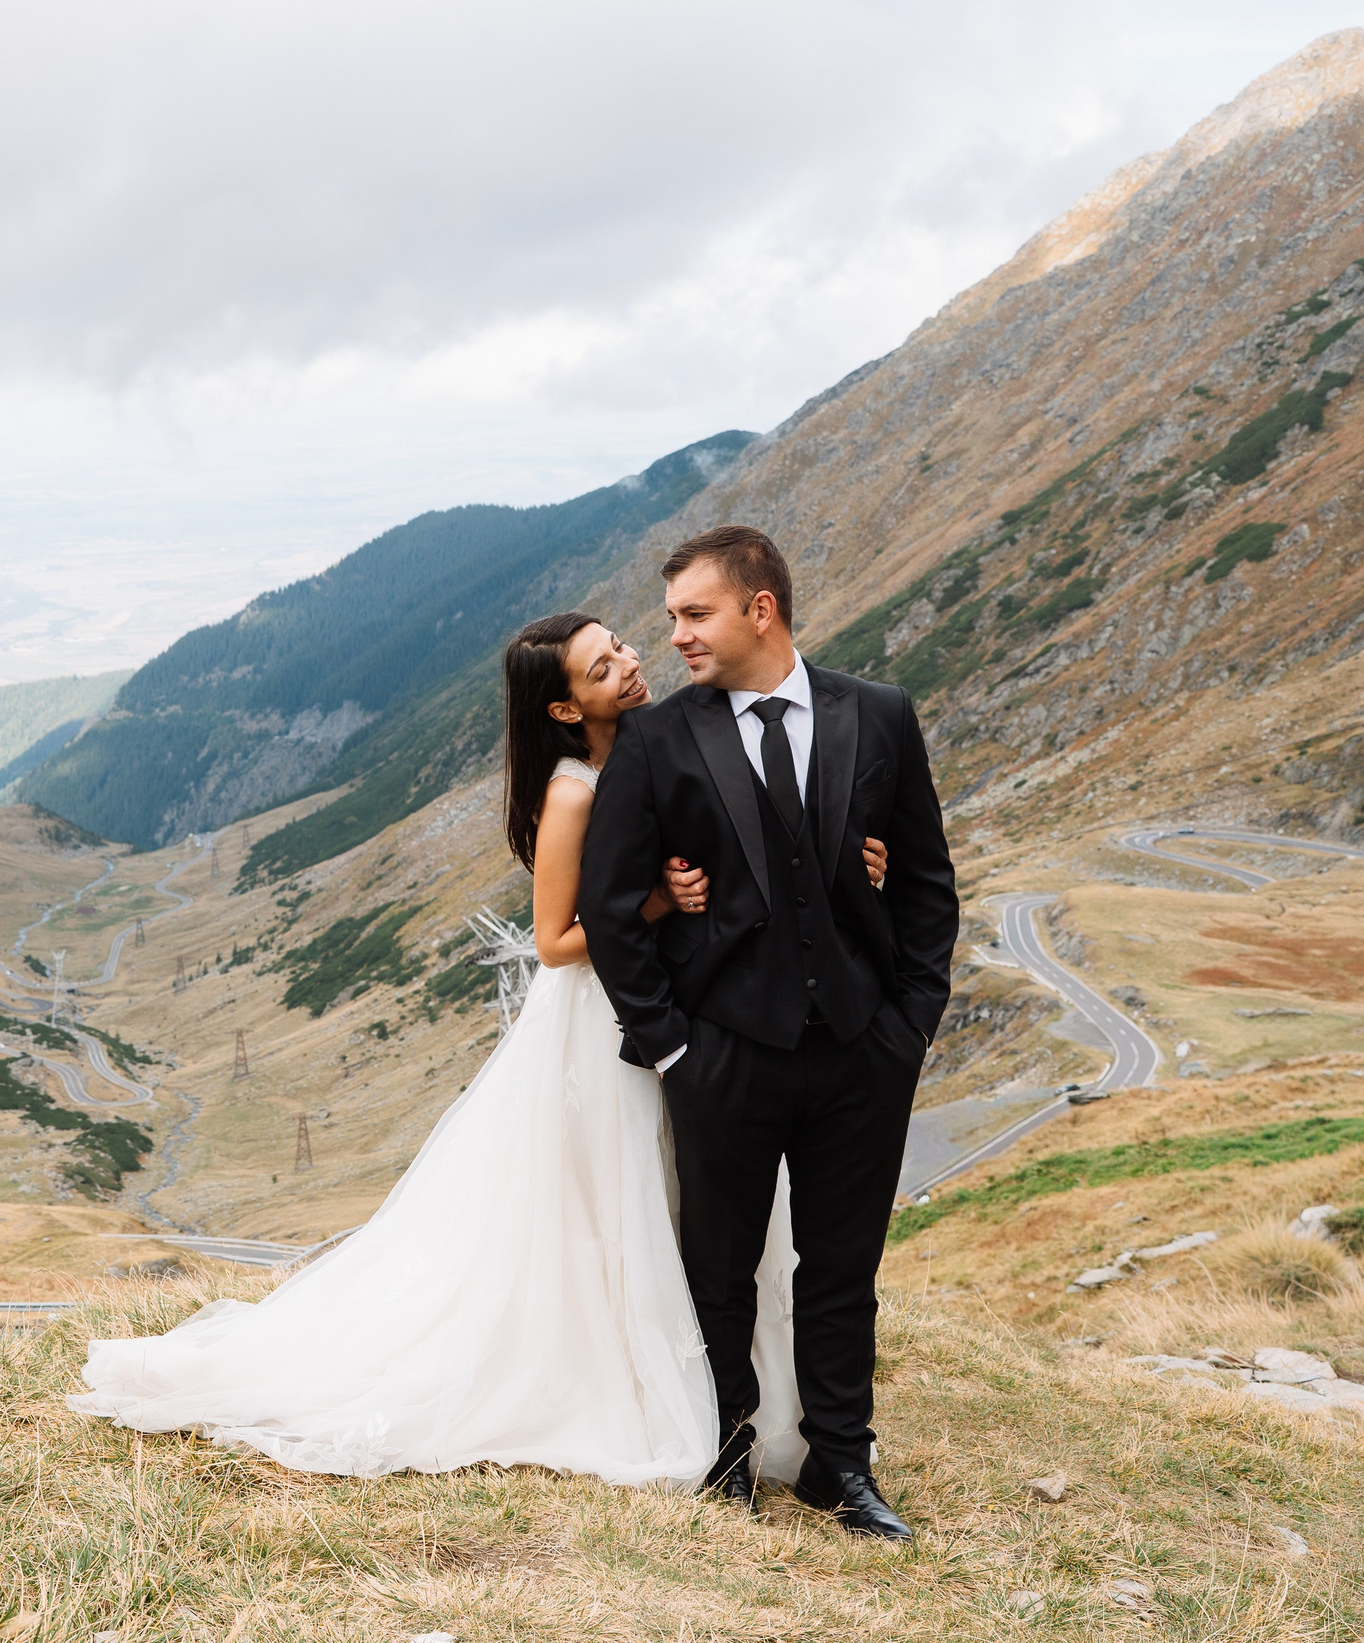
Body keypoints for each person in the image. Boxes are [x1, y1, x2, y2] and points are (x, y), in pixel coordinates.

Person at [68, 606, 888, 1491]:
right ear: (566, 710)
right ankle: (625, 1381)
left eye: (621, 647)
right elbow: (554, 941)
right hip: (592, 1018)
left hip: (681, 1008)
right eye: (603, 667)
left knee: (675, 1200)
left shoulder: (663, 739)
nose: (630, 664)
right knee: (607, 1205)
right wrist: (655, 904)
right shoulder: (574, 789)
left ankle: (720, 1393)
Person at [579, 524, 955, 1542]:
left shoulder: (878, 716)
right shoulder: (658, 743)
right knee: (719, 1268)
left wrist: (909, 1021)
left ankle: (843, 1465)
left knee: (842, 1268)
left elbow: (923, 880)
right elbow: (609, 908)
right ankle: (727, 1452)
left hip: (859, 1050)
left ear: (760, 609)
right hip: (721, 1054)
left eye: (693, 615)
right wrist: (670, 1046)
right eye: (669, 620)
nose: (677, 639)